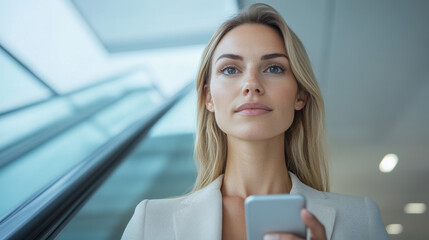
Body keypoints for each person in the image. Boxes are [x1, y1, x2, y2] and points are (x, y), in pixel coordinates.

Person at [122, 3, 389, 240]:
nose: (251, 84)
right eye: (230, 69)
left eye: (274, 68)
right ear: (208, 98)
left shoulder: (360, 220)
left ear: (300, 95)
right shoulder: (151, 222)